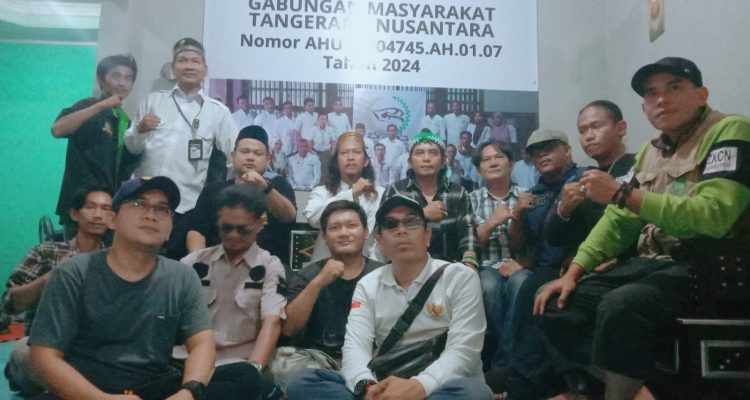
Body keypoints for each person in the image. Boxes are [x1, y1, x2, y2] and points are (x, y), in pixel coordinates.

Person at [534, 57, 750, 400]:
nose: (661, 99)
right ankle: (636, 391)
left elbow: (714, 217)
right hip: (652, 264)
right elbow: (619, 220)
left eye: (674, 87)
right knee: (555, 302)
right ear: (645, 108)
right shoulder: (652, 150)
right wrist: (574, 272)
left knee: (620, 306)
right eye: (651, 93)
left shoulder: (729, 130)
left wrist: (623, 194)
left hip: (706, 265)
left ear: (701, 94)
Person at [285, 195, 492, 400]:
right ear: (380, 242)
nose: (401, 230)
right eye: (391, 224)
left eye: (411, 222)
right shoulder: (368, 284)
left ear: (427, 236)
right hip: (385, 383)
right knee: (303, 382)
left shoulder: (460, 277)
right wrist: (366, 386)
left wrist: (420, 386)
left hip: (440, 385)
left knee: (474, 393)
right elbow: (356, 345)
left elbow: (464, 350)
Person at [28, 176, 215, 400]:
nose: (151, 215)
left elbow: (202, 343)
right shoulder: (73, 273)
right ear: (112, 219)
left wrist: (188, 393)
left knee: (241, 375)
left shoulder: (182, 276)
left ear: (170, 227)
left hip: (155, 386)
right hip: (87, 389)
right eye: (138, 204)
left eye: (162, 209)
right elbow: (42, 358)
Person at [498, 104, 636, 399]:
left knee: (536, 291)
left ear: (568, 151)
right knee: (528, 289)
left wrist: (591, 260)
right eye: (536, 152)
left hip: (584, 264)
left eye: (549, 148)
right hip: (552, 266)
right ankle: (522, 377)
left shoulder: (589, 177)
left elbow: (613, 226)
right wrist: (520, 215)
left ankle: (534, 381)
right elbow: (528, 243)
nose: (542, 155)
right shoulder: (533, 194)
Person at [124, 37, 238, 259]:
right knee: (135, 261)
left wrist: (230, 196)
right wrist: (139, 129)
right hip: (143, 201)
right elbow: (132, 147)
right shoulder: (153, 101)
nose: (188, 66)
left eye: (195, 61)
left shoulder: (217, 112)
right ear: (173, 67)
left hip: (185, 207)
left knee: (175, 267)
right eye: (182, 60)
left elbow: (234, 156)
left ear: (205, 69)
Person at [179, 185, 287, 399]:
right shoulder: (192, 263)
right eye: (226, 228)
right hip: (186, 364)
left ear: (259, 224)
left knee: (246, 380)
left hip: (235, 368)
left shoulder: (270, 266)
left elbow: (272, 323)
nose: (233, 235)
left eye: (242, 229)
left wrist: (254, 370)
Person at [2, 188, 112, 397]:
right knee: (24, 351)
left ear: (114, 218)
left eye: (106, 209)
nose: (98, 215)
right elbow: (9, 304)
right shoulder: (46, 252)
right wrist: (52, 276)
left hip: (93, 348)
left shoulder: (116, 259)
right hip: (44, 346)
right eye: (91, 207)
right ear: (74, 214)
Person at [279, 201, 383, 390]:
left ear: (366, 232)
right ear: (325, 238)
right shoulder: (307, 275)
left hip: (371, 358)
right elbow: (289, 329)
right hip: (319, 361)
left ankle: (338, 390)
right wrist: (318, 282)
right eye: (335, 228)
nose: (344, 233)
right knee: (281, 363)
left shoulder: (383, 274)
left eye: (351, 225)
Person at [51, 54, 139, 238]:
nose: (121, 83)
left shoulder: (126, 122)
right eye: (115, 76)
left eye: (128, 78)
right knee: (78, 255)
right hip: (81, 207)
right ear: (100, 79)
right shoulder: (87, 106)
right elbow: (57, 129)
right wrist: (101, 105)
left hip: (110, 209)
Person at [187, 125, 297, 264]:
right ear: (233, 156)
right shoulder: (213, 191)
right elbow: (197, 231)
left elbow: (289, 216)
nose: (250, 157)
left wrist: (266, 188)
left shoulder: (279, 186)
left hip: (267, 269)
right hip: (219, 268)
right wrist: (200, 265)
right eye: (244, 152)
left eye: (257, 153)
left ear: (268, 159)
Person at [467, 142, 529, 374]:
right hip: (485, 265)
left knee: (521, 282)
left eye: (499, 157)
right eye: (486, 159)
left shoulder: (526, 196)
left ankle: (503, 363)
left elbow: (535, 242)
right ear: (478, 170)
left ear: (511, 164)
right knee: (489, 286)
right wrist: (493, 221)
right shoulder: (470, 200)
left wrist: (521, 263)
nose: (493, 162)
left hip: (519, 265)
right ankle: (512, 361)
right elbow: (469, 246)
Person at [382, 130, 479, 267]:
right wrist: (422, 215)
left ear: (443, 161)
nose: (426, 158)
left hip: (450, 267)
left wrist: (470, 264)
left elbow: (468, 231)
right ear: (410, 162)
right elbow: (383, 230)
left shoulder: (458, 192)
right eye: (419, 153)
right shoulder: (395, 191)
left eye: (433, 153)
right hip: (405, 267)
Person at [303, 132, 385, 261]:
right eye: (344, 153)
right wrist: (351, 194)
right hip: (326, 266)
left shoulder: (381, 195)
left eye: (356, 152)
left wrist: (372, 266)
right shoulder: (322, 192)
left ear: (366, 161)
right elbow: (313, 218)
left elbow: (383, 237)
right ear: (336, 162)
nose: (350, 157)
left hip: (369, 267)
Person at [311, 113, 336, 186]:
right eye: (321, 119)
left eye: (325, 119)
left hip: (326, 153)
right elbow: (310, 142)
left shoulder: (330, 130)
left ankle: (325, 186)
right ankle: (316, 185)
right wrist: (312, 153)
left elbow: (333, 141)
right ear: (318, 120)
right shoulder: (313, 129)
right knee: (317, 170)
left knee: (326, 170)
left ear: (327, 121)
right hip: (316, 152)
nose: (323, 121)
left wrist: (333, 151)